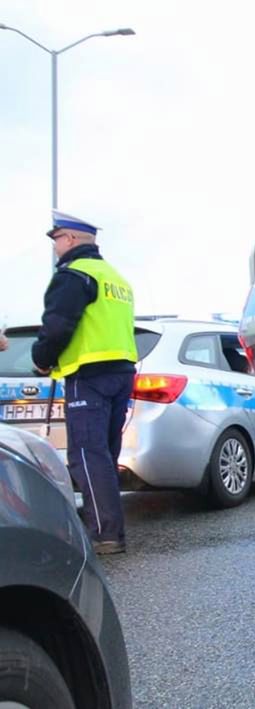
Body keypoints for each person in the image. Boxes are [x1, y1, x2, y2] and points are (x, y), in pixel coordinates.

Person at [32, 210, 137, 554]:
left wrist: (41, 359)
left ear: (73, 239)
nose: (55, 247)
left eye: (57, 239)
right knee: (104, 454)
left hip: (88, 374)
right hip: (121, 372)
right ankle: (111, 527)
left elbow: (58, 325)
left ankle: (105, 535)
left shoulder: (74, 275)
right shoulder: (114, 277)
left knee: (87, 456)